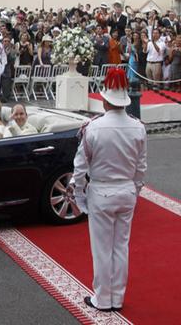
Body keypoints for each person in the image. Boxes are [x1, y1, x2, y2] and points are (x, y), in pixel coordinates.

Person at [71, 67, 147, 312]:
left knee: (103, 249)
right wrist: (133, 190)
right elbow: (141, 167)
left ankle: (103, 299)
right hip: (126, 191)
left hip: (102, 192)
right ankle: (117, 297)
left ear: (104, 99)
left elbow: (80, 167)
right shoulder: (138, 127)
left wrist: (80, 196)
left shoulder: (92, 127)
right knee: (120, 247)